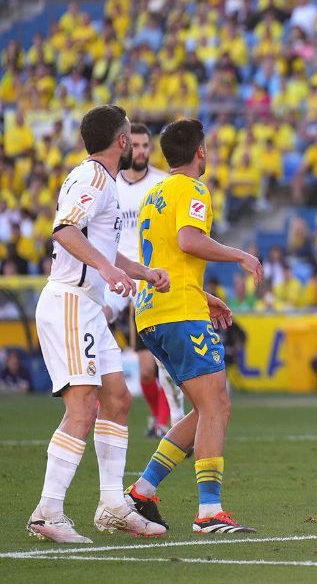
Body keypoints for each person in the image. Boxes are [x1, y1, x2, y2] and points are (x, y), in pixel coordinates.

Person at [28, 104, 169, 543]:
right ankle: (47, 512)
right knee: (84, 406)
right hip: (70, 300)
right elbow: (65, 230)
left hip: (86, 304)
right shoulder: (92, 178)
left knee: (117, 398)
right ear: (122, 141)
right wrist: (109, 274)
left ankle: (111, 505)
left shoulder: (100, 180)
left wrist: (141, 272)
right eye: (129, 134)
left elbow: (100, 245)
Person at [124, 118, 263, 534]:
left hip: (153, 311)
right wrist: (240, 255)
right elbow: (188, 240)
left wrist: (206, 295)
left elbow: (164, 257)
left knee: (205, 408)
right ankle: (208, 512)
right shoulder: (193, 189)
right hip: (180, 313)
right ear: (200, 151)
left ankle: (143, 492)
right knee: (217, 405)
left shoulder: (154, 194)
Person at [102, 122, 182, 438]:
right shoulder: (110, 185)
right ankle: (154, 416)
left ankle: (168, 419)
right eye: (135, 145)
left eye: (146, 146)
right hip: (115, 274)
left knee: (151, 365)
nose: (141, 151)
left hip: (148, 278)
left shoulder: (162, 184)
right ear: (124, 147)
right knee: (95, 319)